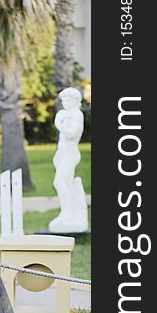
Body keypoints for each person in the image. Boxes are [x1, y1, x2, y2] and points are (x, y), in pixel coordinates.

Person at [49, 87, 88, 233]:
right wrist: (57, 155)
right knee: (66, 183)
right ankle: (69, 213)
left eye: (68, 99)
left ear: (75, 101)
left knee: (59, 182)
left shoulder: (77, 115)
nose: (65, 102)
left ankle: (67, 213)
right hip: (62, 154)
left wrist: (59, 124)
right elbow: (62, 140)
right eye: (63, 100)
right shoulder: (65, 113)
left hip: (71, 154)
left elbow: (71, 134)